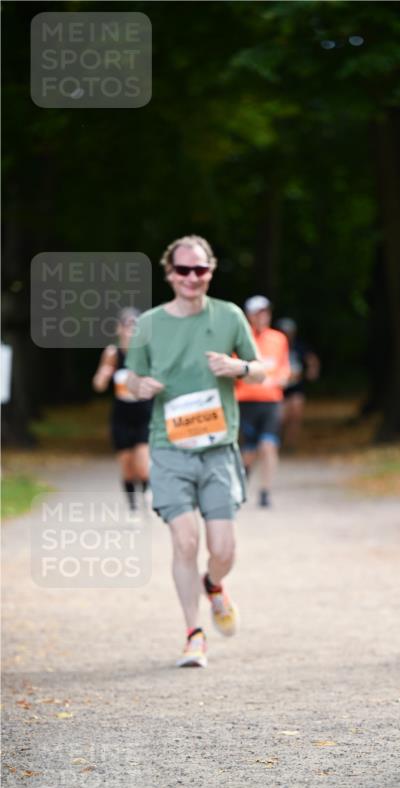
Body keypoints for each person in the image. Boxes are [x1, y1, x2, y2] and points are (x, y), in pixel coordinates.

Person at [125, 235, 266, 669]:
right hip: (169, 448)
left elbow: (261, 371)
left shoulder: (229, 315)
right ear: (170, 274)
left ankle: (214, 583)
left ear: (210, 271)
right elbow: (130, 379)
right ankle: (194, 633)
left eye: (199, 269)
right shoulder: (149, 323)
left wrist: (238, 367)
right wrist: (141, 385)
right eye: (183, 270)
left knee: (222, 549)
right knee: (185, 540)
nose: (191, 277)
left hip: (219, 448)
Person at [92, 307, 152, 512]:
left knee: (143, 465)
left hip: (144, 414)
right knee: (127, 467)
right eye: (127, 326)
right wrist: (104, 374)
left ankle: (146, 493)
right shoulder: (112, 353)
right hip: (121, 416)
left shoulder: (147, 353)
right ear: (119, 329)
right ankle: (133, 507)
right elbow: (99, 385)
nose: (130, 331)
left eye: (135, 326)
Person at [237, 296, 290, 507]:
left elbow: (284, 366)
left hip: (271, 401)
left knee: (268, 446)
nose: (263, 317)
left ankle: (265, 492)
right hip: (246, 401)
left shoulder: (278, 339)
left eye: (266, 312)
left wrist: (284, 377)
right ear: (249, 316)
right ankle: (244, 475)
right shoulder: (241, 339)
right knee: (249, 451)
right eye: (258, 313)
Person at [276, 317, 321, 451]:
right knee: (280, 418)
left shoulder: (299, 346)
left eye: (289, 332)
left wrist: (312, 371)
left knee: (296, 415)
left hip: (296, 387)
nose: (287, 335)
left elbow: (312, 360)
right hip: (279, 388)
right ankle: (277, 442)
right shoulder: (274, 345)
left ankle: (290, 444)